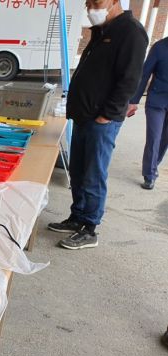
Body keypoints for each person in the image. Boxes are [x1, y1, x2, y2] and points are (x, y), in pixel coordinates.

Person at [48, 0, 147, 250]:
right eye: (88, 2)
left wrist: (107, 115)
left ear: (115, 1)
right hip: (84, 115)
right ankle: (77, 217)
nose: (91, 7)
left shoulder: (131, 31)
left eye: (97, 2)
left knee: (93, 172)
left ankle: (90, 228)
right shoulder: (102, 30)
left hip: (102, 120)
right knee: (79, 170)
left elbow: (130, 80)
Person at [127, 36, 168, 190]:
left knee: (165, 139)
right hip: (156, 102)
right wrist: (133, 100)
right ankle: (149, 175)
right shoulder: (160, 47)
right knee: (154, 137)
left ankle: (153, 163)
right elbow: (145, 74)